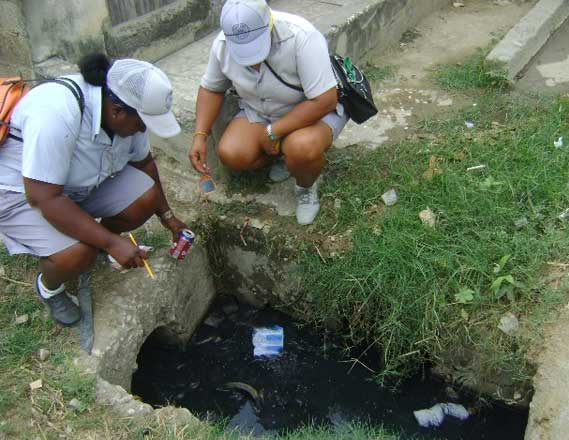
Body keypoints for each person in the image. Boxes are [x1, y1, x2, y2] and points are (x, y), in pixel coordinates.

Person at [0, 53, 187, 327]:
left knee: (145, 196)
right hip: (21, 196)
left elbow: (145, 164)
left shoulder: (127, 114)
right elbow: (43, 197)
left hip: (72, 189)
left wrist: (168, 217)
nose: (143, 130)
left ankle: (94, 242)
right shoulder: (57, 111)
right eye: (142, 123)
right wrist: (112, 242)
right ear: (117, 111)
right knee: (78, 254)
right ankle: (49, 287)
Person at [188, 0, 348, 225]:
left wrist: (275, 130)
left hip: (313, 112)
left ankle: (306, 185)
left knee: (301, 149)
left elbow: (325, 100)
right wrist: (200, 135)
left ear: (269, 24)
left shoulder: (301, 36)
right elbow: (211, 88)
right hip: (261, 111)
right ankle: (285, 157)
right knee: (232, 153)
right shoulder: (222, 44)